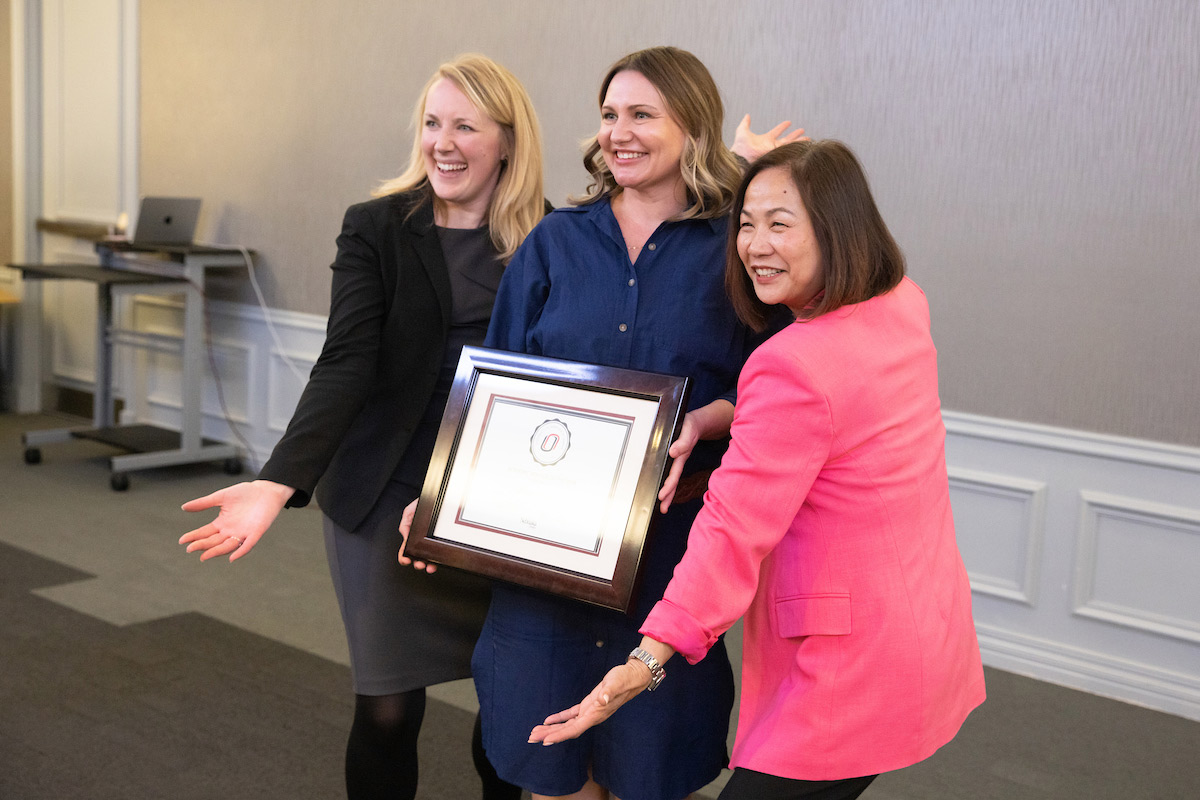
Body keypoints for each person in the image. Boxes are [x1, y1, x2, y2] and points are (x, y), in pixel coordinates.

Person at [528, 140, 987, 800]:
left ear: (836, 228)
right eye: (746, 223)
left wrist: (645, 660)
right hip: (920, 630)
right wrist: (724, 415)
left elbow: (730, 531)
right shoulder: (901, 305)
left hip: (841, 671)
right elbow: (831, 410)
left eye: (780, 222)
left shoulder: (791, 363)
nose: (754, 245)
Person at [177, 54, 545, 800]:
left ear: (506, 140)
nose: (442, 142)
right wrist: (279, 483)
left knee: (510, 705)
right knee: (386, 709)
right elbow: (345, 361)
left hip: (498, 492)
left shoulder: (547, 238)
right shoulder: (377, 227)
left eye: (464, 126)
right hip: (385, 490)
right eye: (432, 124)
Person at [455, 46, 800, 800]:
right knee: (551, 770)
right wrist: (447, 493)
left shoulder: (736, 252)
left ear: (691, 127)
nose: (619, 131)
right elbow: (497, 390)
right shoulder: (556, 242)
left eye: (642, 114)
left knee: (649, 770)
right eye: (610, 114)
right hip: (544, 555)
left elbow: (784, 389)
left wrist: (718, 415)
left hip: (674, 555)